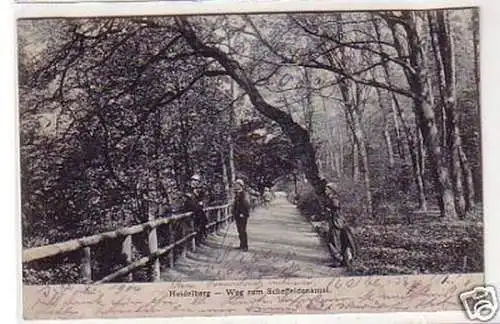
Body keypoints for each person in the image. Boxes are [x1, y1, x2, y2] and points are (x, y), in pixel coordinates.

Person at [323, 181, 355, 267]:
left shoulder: (333, 198)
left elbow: (336, 208)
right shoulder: (332, 198)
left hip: (336, 222)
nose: (325, 190)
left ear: (331, 190)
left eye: (327, 189)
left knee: (333, 241)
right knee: (335, 240)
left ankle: (338, 260)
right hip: (336, 221)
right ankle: (341, 259)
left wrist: (329, 209)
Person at [184, 174, 208, 245]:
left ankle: (199, 239)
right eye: (193, 180)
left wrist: (201, 203)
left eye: (196, 181)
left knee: (202, 220)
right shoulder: (187, 189)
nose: (194, 182)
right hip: (189, 211)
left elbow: (203, 200)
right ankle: (195, 241)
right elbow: (190, 202)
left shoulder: (200, 191)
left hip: (197, 212)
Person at [232, 179, 251, 251]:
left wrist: (243, 213)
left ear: (241, 186)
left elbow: (246, 205)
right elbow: (235, 205)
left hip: (243, 215)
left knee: (243, 230)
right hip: (237, 214)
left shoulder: (244, 194)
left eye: (237, 184)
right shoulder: (237, 194)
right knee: (239, 230)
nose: (236, 186)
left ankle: (245, 246)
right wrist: (233, 212)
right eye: (235, 184)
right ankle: (241, 244)